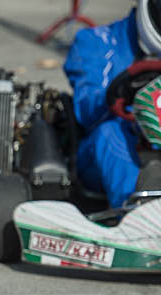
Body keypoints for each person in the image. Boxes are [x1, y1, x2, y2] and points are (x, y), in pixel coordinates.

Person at [64, 0, 161, 208]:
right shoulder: (96, 41)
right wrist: (122, 94)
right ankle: (137, 208)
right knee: (110, 130)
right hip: (103, 154)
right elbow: (87, 112)